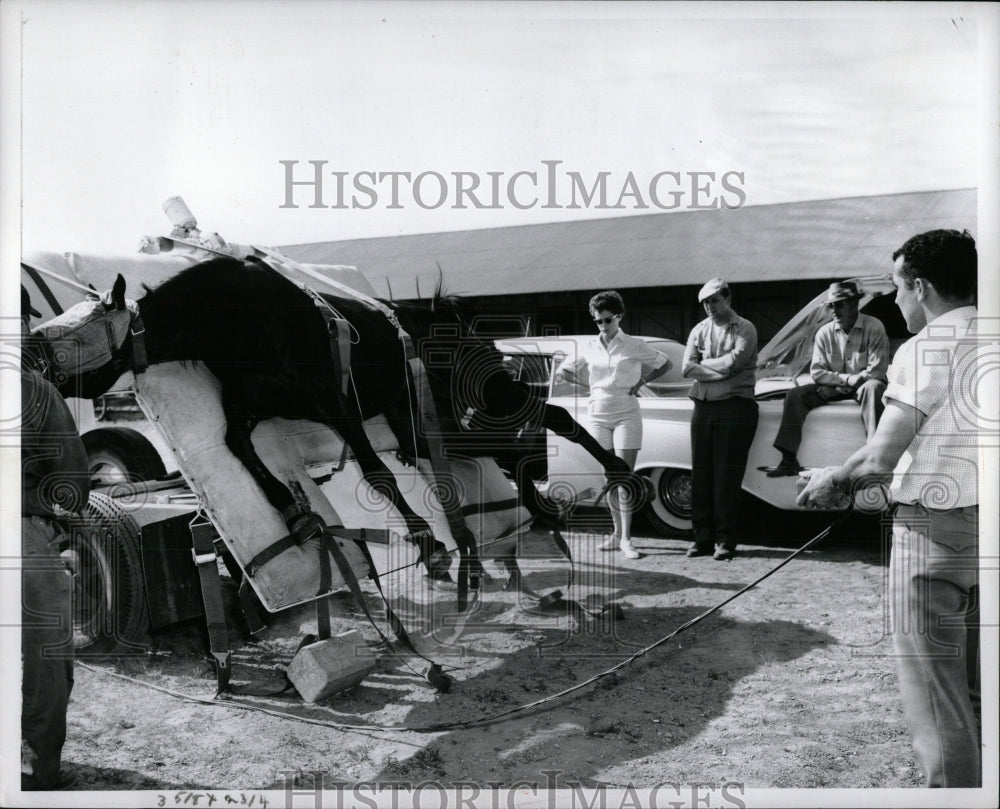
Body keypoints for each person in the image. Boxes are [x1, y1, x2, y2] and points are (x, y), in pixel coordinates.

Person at [798, 229, 981, 787]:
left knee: (935, 693)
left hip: (934, 537)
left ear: (921, 286)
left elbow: (882, 453)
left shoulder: (925, 347)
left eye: (898, 288)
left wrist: (834, 480)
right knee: (977, 684)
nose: (896, 302)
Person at [20, 285, 91, 791]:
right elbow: (73, 484)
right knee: (46, 652)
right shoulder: (32, 390)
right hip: (19, 537)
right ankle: (40, 770)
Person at [556, 290, 670, 559]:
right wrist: (589, 386)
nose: (604, 326)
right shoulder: (589, 346)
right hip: (597, 413)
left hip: (627, 412)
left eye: (608, 320)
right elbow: (563, 371)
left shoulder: (633, 344)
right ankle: (616, 534)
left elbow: (665, 363)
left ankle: (628, 539)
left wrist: (641, 383)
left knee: (625, 478)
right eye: (598, 321)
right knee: (609, 479)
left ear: (619, 316)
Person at [767, 280, 889, 477]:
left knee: (873, 387)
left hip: (862, 388)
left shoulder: (874, 327)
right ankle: (788, 459)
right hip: (836, 386)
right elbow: (817, 372)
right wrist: (846, 382)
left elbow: (876, 371)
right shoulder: (824, 333)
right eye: (831, 305)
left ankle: (874, 457)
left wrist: (838, 388)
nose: (834, 310)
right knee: (795, 395)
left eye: (839, 304)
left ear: (854, 303)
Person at [682, 278, 758, 561]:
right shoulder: (699, 330)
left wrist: (704, 366)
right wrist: (718, 370)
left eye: (714, 300)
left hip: (735, 407)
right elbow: (686, 367)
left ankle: (725, 541)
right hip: (703, 407)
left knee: (726, 476)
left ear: (728, 298)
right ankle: (701, 539)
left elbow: (734, 364)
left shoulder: (745, 328)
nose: (709, 306)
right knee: (701, 475)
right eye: (705, 302)